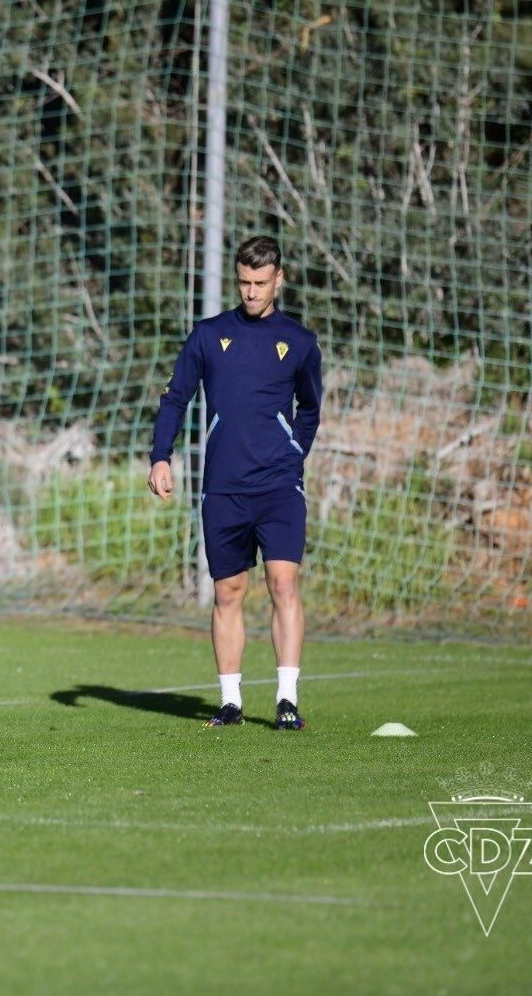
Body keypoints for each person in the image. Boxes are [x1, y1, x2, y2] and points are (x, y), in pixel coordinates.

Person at [148, 235, 323, 730]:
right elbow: (175, 398)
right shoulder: (208, 335)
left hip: (278, 484)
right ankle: (230, 702)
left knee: (283, 581)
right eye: (244, 282)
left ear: (278, 280)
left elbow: (310, 408)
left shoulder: (300, 342)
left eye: (260, 283)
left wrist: (294, 451)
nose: (251, 292)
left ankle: (287, 700)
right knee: (228, 589)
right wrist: (161, 457)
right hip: (223, 486)